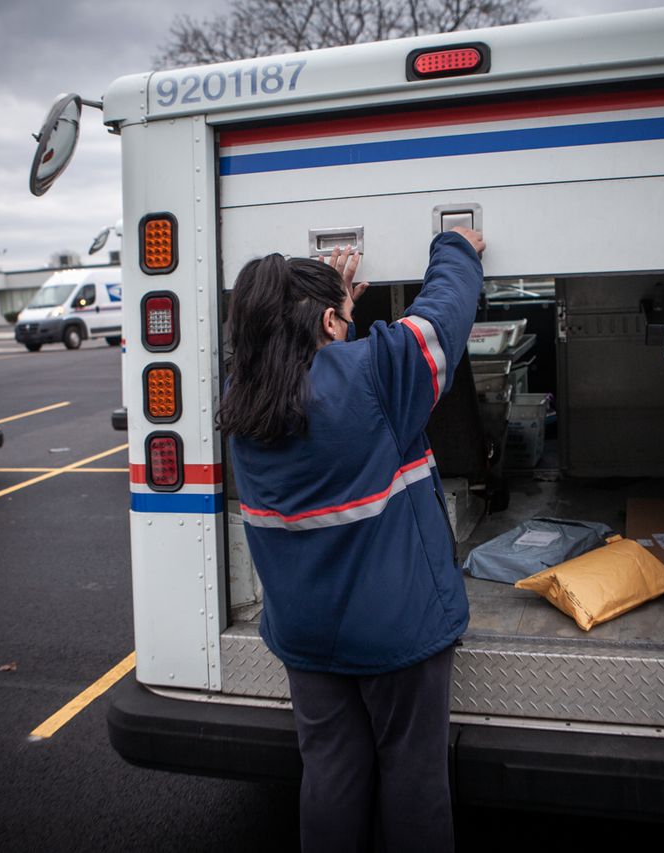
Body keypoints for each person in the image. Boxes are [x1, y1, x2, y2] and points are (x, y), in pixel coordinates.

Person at [217, 227, 486, 853]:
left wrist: (329, 310)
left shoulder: (243, 402)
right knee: (413, 782)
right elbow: (443, 317)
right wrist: (456, 244)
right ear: (333, 326)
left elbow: (307, 362)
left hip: (306, 636)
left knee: (330, 775)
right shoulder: (375, 373)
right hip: (398, 635)